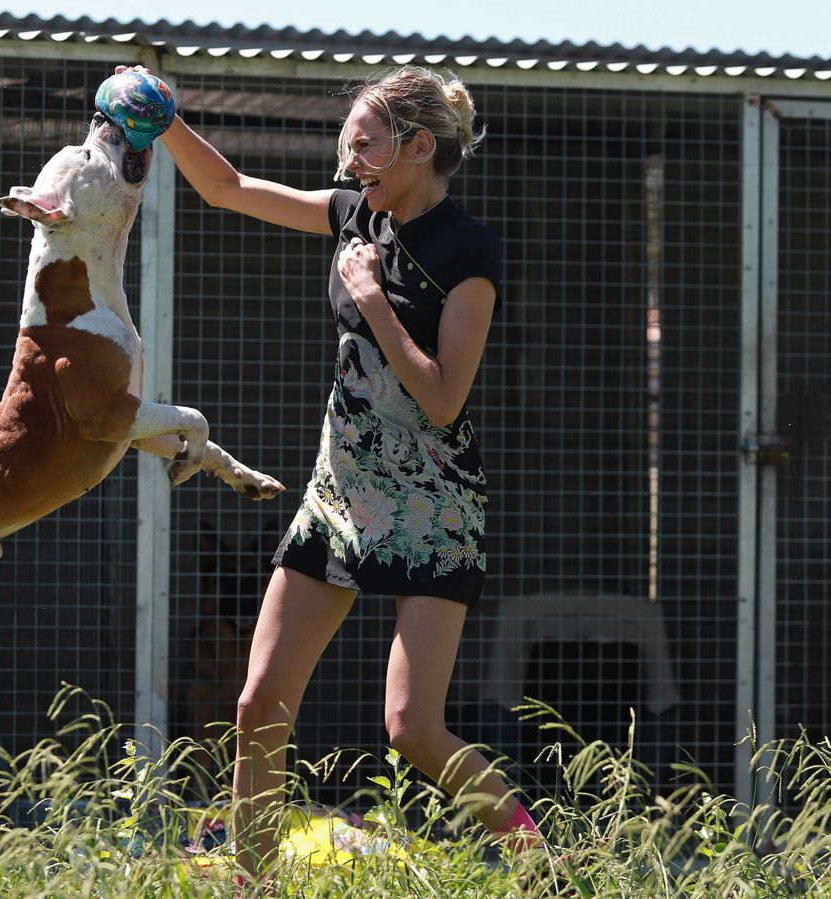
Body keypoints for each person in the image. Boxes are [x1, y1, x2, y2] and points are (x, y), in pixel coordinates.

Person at [125, 62, 540, 881]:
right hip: (340, 492)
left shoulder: (469, 251)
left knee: (411, 726)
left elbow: (444, 396)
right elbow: (229, 185)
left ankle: (543, 861)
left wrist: (374, 299)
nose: (348, 166)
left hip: (431, 502)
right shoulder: (353, 214)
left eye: (364, 148)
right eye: (348, 149)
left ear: (419, 146)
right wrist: (162, 115)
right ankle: (256, 879)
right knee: (256, 705)